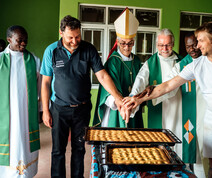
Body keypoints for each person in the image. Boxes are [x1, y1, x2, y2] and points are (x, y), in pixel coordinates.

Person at [123, 22, 212, 178]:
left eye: (200, 40)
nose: (197, 46)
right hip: (211, 121)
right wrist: (137, 100)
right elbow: (167, 86)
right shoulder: (196, 64)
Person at [40, 15, 123, 178]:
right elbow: (45, 83)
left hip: (82, 109)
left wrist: (118, 97)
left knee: (79, 149)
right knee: (58, 150)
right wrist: (45, 110)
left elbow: (103, 76)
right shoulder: (51, 51)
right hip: (59, 109)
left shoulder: (88, 49)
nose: (75, 40)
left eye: (78, 36)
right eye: (70, 37)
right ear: (61, 33)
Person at [147, 32, 206, 177]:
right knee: (187, 149)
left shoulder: (209, 60)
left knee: (205, 153)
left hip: (206, 112)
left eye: (194, 45)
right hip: (189, 114)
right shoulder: (182, 65)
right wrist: (152, 90)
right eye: (188, 46)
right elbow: (168, 84)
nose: (192, 49)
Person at [0, 25, 41, 177]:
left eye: (25, 40)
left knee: (24, 143)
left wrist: (41, 108)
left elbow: (40, 87)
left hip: (26, 113)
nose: (24, 43)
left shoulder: (34, 61)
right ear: (9, 39)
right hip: (5, 115)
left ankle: (25, 173)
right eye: (20, 40)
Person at [92, 8, 143, 128]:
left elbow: (141, 83)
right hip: (116, 110)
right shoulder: (112, 62)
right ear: (117, 42)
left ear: (134, 42)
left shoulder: (137, 61)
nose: (126, 47)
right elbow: (108, 92)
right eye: (123, 43)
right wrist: (121, 104)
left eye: (130, 43)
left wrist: (135, 101)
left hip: (134, 107)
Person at [129, 28, 183, 128]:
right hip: (158, 107)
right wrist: (133, 97)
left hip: (178, 107)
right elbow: (140, 80)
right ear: (157, 45)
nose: (165, 49)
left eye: (168, 45)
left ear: (173, 44)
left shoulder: (182, 62)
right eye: (161, 45)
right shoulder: (150, 63)